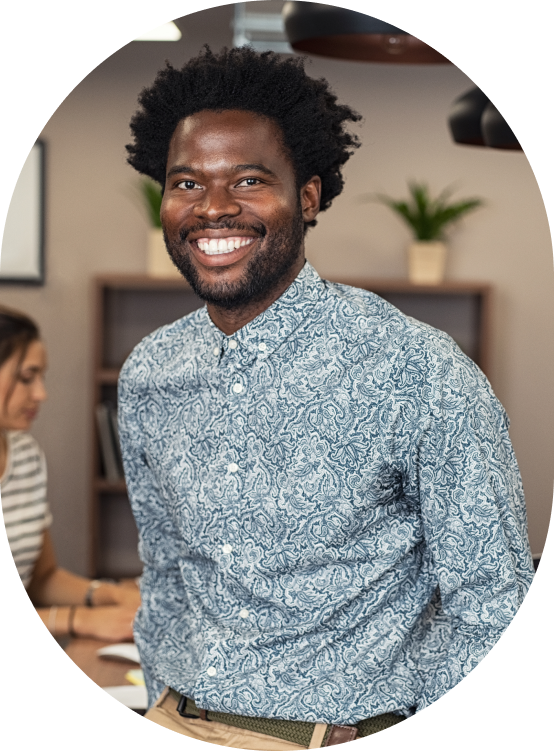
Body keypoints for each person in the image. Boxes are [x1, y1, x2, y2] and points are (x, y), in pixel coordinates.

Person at [119, 46, 534, 746]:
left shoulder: (418, 369)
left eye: (248, 180)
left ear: (308, 196)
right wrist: (163, 693)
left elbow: (494, 603)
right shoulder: (148, 373)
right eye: (186, 182)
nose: (213, 207)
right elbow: (164, 571)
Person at [1, 305, 140, 642]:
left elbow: (41, 578)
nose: (40, 394)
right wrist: (78, 620)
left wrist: (107, 594)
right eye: (26, 378)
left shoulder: (26, 457)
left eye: (41, 377)